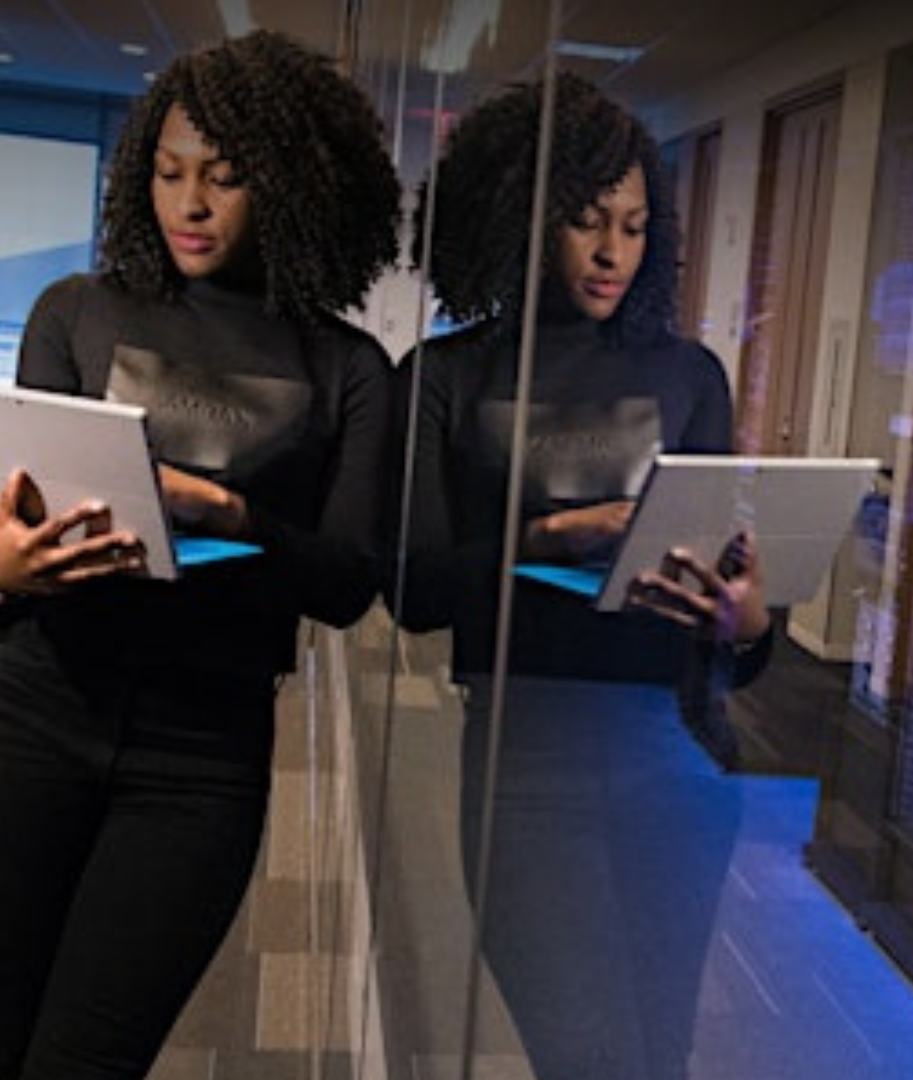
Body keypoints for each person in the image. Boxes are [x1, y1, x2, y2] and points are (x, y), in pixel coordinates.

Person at [0, 29, 402, 1080]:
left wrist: (232, 517)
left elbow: (344, 585)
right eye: (167, 172)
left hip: (201, 760)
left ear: (289, 186)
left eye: (226, 179)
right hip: (29, 719)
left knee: (83, 1062)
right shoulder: (76, 314)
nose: (189, 203)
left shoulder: (347, 367)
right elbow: (0, 585)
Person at [384, 72, 774, 1079]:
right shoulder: (448, 375)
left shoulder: (690, 376)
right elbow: (416, 589)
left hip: (680, 758)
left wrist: (745, 622)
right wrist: (555, 535)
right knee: (590, 1057)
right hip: (527, 768)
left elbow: (726, 629)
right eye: (587, 221)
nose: (612, 252)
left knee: (658, 1060)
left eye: (635, 227)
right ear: (523, 216)